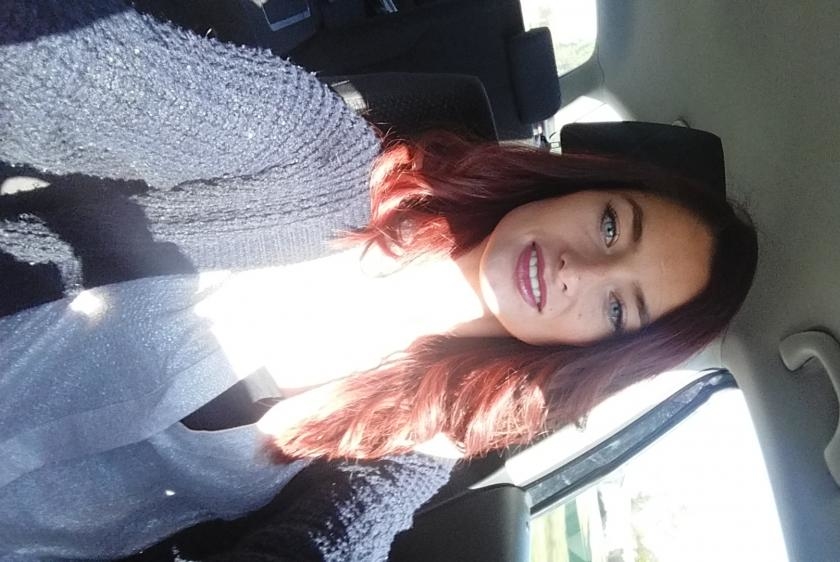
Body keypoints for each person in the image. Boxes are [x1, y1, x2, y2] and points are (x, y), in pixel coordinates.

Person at [0, 1, 758, 560]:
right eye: (612, 227)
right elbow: (71, 72)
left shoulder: (430, 437)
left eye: (619, 309)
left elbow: (327, 543)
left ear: (597, 354)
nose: (580, 271)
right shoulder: (316, 156)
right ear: (576, 184)